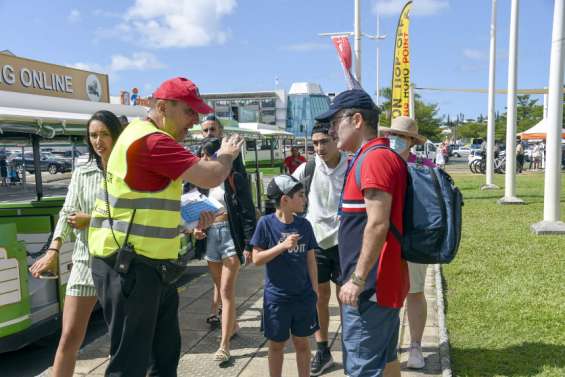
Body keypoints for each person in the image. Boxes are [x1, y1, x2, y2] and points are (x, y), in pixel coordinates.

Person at [88, 77, 244, 377]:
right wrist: (225, 155)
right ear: (162, 107)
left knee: (163, 356)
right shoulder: (152, 140)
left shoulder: (143, 135)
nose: (195, 120)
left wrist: (185, 221)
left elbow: (146, 200)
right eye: (189, 112)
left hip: (146, 266)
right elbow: (211, 176)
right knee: (130, 365)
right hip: (131, 267)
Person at [316, 89, 409, 377]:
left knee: (362, 368)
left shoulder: (374, 159)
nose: (331, 129)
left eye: (335, 121)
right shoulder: (373, 156)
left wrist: (356, 280)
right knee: (385, 362)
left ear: (356, 120)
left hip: (370, 290)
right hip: (379, 286)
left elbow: (378, 223)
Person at [29, 110, 124, 377]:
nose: (98, 140)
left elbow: (128, 217)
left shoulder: (127, 171)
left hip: (120, 262)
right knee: (69, 336)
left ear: (116, 135)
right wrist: (52, 251)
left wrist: (91, 219)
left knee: (122, 339)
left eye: (104, 134)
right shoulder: (82, 172)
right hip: (85, 261)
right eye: (93, 135)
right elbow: (67, 212)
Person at [291, 122, 348, 376]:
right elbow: (286, 196)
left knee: (346, 297)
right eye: (315, 143)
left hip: (346, 241)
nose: (319, 148)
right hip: (318, 241)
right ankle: (323, 349)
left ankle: (351, 345)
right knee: (319, 296)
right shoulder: (308, 167)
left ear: (336, 139)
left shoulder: (352, 164)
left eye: (324, 142)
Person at [194, 137, 257, 363]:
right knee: (220, 289)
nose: (202, 160)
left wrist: (250, 244)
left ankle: (224, 345)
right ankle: (233, 324)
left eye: (206, 156)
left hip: (231, 235)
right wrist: (196, 230)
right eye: (201, 156)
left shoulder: (235, 178)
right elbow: (195, 212)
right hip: (210, 235)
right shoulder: (202, 182)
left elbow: (248, 212)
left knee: (226, 291)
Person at [379, 116, 435, 370]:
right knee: (384, 293)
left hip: (412, 240)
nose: (395, 140)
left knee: (414, 290)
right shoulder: (380, 162)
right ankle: (386, 345)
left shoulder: (425, 166)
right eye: (393, 134)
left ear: (412, 141)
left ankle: (415, 345)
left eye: (401, 136)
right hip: (383, 238)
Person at [251, 175, 319, 377]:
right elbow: (256, 259)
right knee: (276, 345)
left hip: (303, 296)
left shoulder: (304, 225)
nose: (304, 199)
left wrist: (314, 291)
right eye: (300, 195)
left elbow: (310, 260)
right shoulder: (265, 224)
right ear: (284, 200)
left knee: (302, 343)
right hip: (277, 299)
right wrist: (282, 246)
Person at [198, 113, 250, 328]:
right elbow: (195, 197)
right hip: (210, 229)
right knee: (218, 282)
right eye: (206, 130)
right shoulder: (199, 162)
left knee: (226, 287)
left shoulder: (233, 162)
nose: (209, 133)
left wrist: (249, 241)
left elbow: (244, 200)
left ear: (220, 131)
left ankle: (226, 330)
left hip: (230, 229)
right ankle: (221, 313)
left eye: (213, 129)